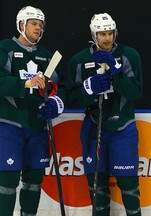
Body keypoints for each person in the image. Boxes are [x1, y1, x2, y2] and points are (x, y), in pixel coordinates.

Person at [65, 13, 143, 215]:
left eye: (110, 33)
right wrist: (88, 89)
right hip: (94, 127)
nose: (107, 38)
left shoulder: (129, 55)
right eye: (102, 34)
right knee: (97, 188)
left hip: (123, 128)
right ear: (94, 35)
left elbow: (135, 91)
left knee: (129, 186)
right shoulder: (80, 60)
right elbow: (71, 97)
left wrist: (116, 71)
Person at [0, 6, 65, 215]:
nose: (38, 28)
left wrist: (56, 103)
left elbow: (59, 87)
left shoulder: (47, 56)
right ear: (21, 25)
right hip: (10, 124)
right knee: (7, 180)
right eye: (34, 24)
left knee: (34, 180)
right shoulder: (5, 48)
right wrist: (26, 84)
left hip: (37, 126)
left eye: (40, 25)